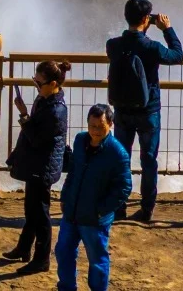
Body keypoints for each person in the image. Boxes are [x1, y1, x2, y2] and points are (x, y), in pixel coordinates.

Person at [105, 0, 183, 221]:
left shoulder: (113, 45)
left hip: (121, 111)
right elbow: (178, 56)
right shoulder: (151, 47)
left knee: (122, 158)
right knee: (148, 161)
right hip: (148, 111)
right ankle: (146, 209)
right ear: (146, 19)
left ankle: (118, 207)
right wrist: (167, 29)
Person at [55, 104, 132, 291]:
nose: (95, 131)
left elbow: (124, 187)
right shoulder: (80, 141)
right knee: (63, 251)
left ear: (110, 125)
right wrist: (65, 197)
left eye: (100, 126)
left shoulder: (117, 153)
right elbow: (73, 172)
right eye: (92, 126)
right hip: (72, 211)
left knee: (97, 260)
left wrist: (100, 210)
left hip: (95, 219)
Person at [3, 61, 70, 273]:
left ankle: (42, 260)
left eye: (38, 83)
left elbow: (37, 140)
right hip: (37, 164)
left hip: (43, 167)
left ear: (52, 84)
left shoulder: (56, 111)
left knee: (40, 214)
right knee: (31, 210)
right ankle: (24, 248)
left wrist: (23, 116)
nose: (36, 86)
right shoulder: (44, 99)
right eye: (35, 81)